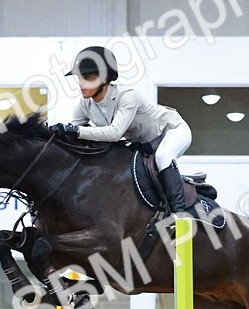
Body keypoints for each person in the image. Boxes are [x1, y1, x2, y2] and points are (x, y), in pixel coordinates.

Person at [51, 46, 199, 218]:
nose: (81, 83)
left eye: (88, 77)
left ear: (105, 78)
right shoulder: (85, 104)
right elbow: (74, 134)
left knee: (162, 157)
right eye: (79, 78)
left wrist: (75, 130)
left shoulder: (128, 96)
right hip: (144, 144)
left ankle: (180, 214)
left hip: (172, 131)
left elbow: (113, 133)